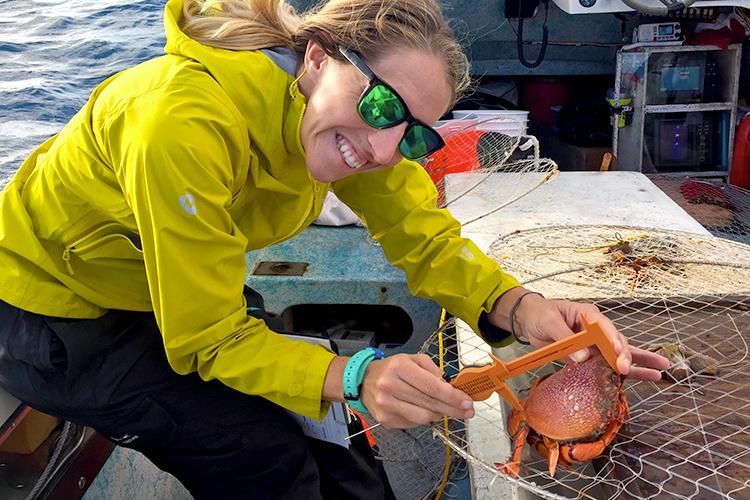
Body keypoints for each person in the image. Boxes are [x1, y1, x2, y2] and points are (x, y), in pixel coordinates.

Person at [0, 0, 669, 498]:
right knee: (261, 458)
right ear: (318, 56)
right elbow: (206, 340)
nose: (382, 148)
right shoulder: (181, 123)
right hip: (54, 315)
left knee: (340, 447)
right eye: (382, 108)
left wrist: (517, 307)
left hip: (158, 286)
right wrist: (352, 378)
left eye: (414, 137)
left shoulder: (351, 128)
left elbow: (423, 235)